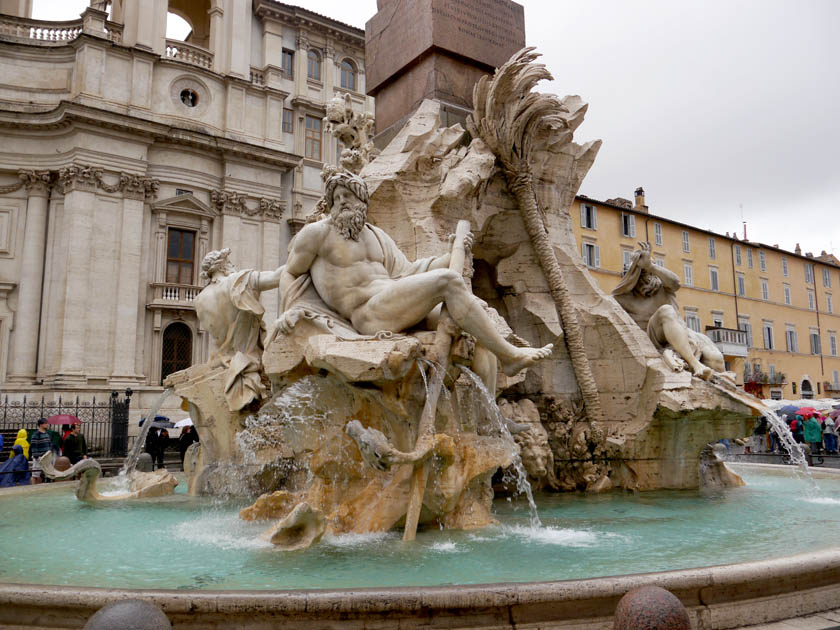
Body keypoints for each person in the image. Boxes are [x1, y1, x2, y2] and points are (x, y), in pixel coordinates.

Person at [276, 171, 552, 377]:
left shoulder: (377, 236)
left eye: (347, 196)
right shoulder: (317, 234)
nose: (341, 203)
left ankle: (485, 425)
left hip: (393, 302)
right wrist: (291, 310)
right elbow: (290, 273)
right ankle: (510, 355)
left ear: (362, 201)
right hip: (367, 314)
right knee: (449, 281)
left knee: (476, 329)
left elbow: (408, 272)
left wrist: (452, 254)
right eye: (335, 199)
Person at [612, 242, 726, 381]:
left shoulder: (664, 286)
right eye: (642, 272)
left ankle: (721, 382)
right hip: (653, 338)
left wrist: (651, 267)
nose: (647, 275)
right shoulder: (624, 298)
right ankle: (695, 364)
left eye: (650, 271)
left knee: (715, 359)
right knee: (666, 310)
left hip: (681, 332)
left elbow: (676, 283)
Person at [193, 249, 286, 412]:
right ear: (222, 266)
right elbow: (277, 277)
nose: (233, 265)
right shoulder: (238, 281)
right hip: (247, 364)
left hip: (220, 364)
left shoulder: (199, 300)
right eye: (229, 262)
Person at [29, 418, 58, 483]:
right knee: (35, 475)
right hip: (39, 457)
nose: (47, 424)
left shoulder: (47, 433)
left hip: (46, 457)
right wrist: (36, 456)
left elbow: (49, 444)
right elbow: (34, 445)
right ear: (40, 425)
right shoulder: (36, 434)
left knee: (45, 474)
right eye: (45, 423)